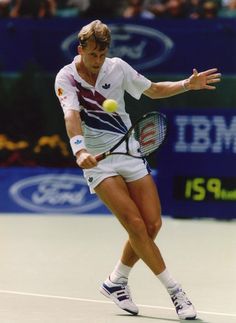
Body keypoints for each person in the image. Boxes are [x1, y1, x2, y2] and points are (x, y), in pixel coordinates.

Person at [55, 20, 221, 320]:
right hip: (98, 160)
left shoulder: (118, 68)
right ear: (80, 49)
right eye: (92, 55)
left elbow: (154, 90)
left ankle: (115, 281)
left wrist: (186, 84)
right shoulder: (66, 77)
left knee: (153, 225)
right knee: (134, 223)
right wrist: (79, 148)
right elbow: (71, 115)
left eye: (102, 55)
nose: (97, 61)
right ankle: (176, 293)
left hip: (129, 151)